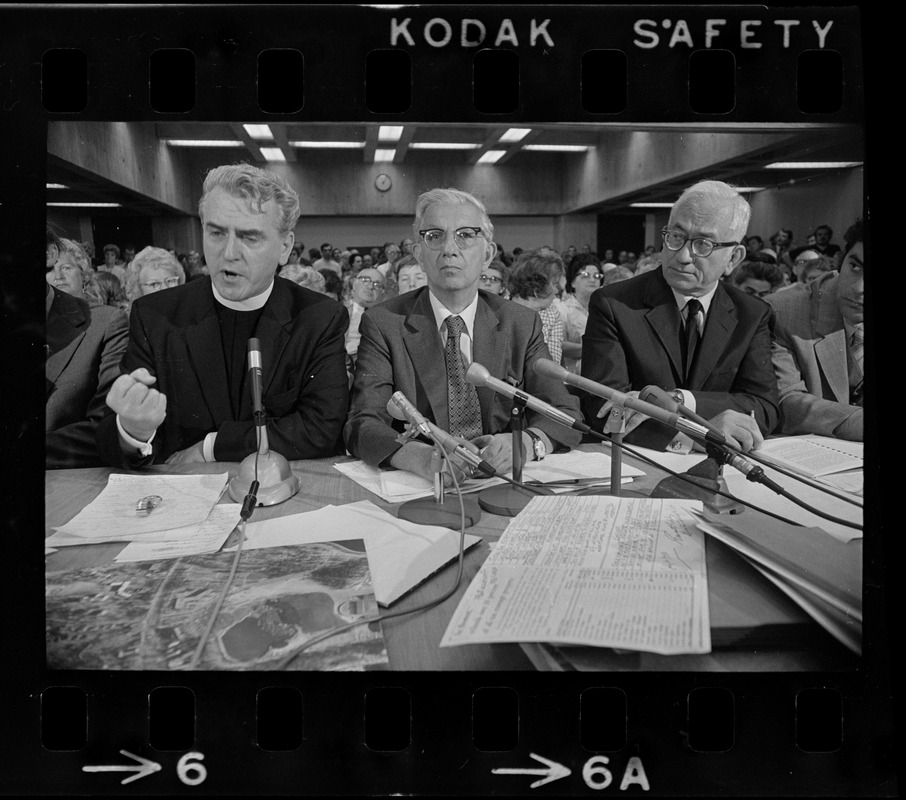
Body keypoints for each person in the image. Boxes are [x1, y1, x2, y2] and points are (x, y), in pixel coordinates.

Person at [96, 163, 350, 467]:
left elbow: (321, 429)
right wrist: (133, 430)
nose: (229, 252)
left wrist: (212, 447)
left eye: (249, 237)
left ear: (285, 247)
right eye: (216, 233)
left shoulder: (319, 317)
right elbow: (113, 438)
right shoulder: (155, 315)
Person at [344, 188, 582, 484]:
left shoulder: (519, 322)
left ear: (488, 254)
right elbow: (363, 423)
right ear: (419, 254)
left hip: (503, 481)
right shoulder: (384, 323)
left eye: (466, 235)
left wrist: (528, 443)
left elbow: (564, 412)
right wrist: (418, 457)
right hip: (423, 487)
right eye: (434, 236)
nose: (449, 249)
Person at [581, 180, 780, 453]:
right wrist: (698, 435)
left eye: (703, 244)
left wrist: (678, 400)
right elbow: (604, 408)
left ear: (733, 258)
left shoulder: (752, 314)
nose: (684, 256)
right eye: (676, 237)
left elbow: (764, 406)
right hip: (638, 460)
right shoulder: (614, 304)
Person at [765, 219, 864, 440]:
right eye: (855, 267)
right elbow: (785, 401)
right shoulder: (782, 311)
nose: (859, 289)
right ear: (840, 260)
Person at [45, 227, 129, 468]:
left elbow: (106, 427)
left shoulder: (107, 322)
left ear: (84, 275)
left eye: (66, 268)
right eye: (52, 270)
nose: (58, 276)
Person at [508, 251, 566, 365]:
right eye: (555, 284)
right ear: (537, 284)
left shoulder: (553, 316)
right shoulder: (498, 311)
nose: (557, 290)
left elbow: (552, 365)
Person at [560, 254, 603, 373]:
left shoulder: (604, 309)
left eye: (597, 276)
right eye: (585, 275)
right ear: (572, 282)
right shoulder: (562, 309)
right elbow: (558, 345)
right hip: (571, 376)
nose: (592, 280)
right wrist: (594, 349)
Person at [345, 267, 386, 370]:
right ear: (354, 283)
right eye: (366, 280)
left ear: (382, 293)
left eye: (377, 284)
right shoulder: (339, 312)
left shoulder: (386, 319)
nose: (371, 286)